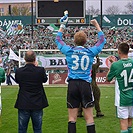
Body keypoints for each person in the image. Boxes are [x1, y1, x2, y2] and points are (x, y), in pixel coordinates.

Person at [55, 11, 106, 133]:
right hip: (85, 85)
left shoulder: (69, 51)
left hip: (72, 85)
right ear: (86, 41)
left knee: (72, 118)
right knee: (89, 118)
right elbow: (102, 40)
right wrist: (97, 25)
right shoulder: (90, 52)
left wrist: (63, 25)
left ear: (74, 40)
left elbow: (57, 39)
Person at [14, 50, 49, 133]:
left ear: (25, 59)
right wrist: (36, 67)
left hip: (23, 102)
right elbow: (44, 80)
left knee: (22, 129)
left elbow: (18, 81)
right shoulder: (40, 70)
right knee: (37, 129)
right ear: (35, 58)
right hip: (37, 102)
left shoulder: (19, 71)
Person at [106, 42, 133, 133]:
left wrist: (111, 66)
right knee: (130, 120)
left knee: (123, 121)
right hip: (132, 96)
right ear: (128, 51)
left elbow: (108, 79)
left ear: (118, 52)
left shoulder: (116, 65)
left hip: (122, 98)